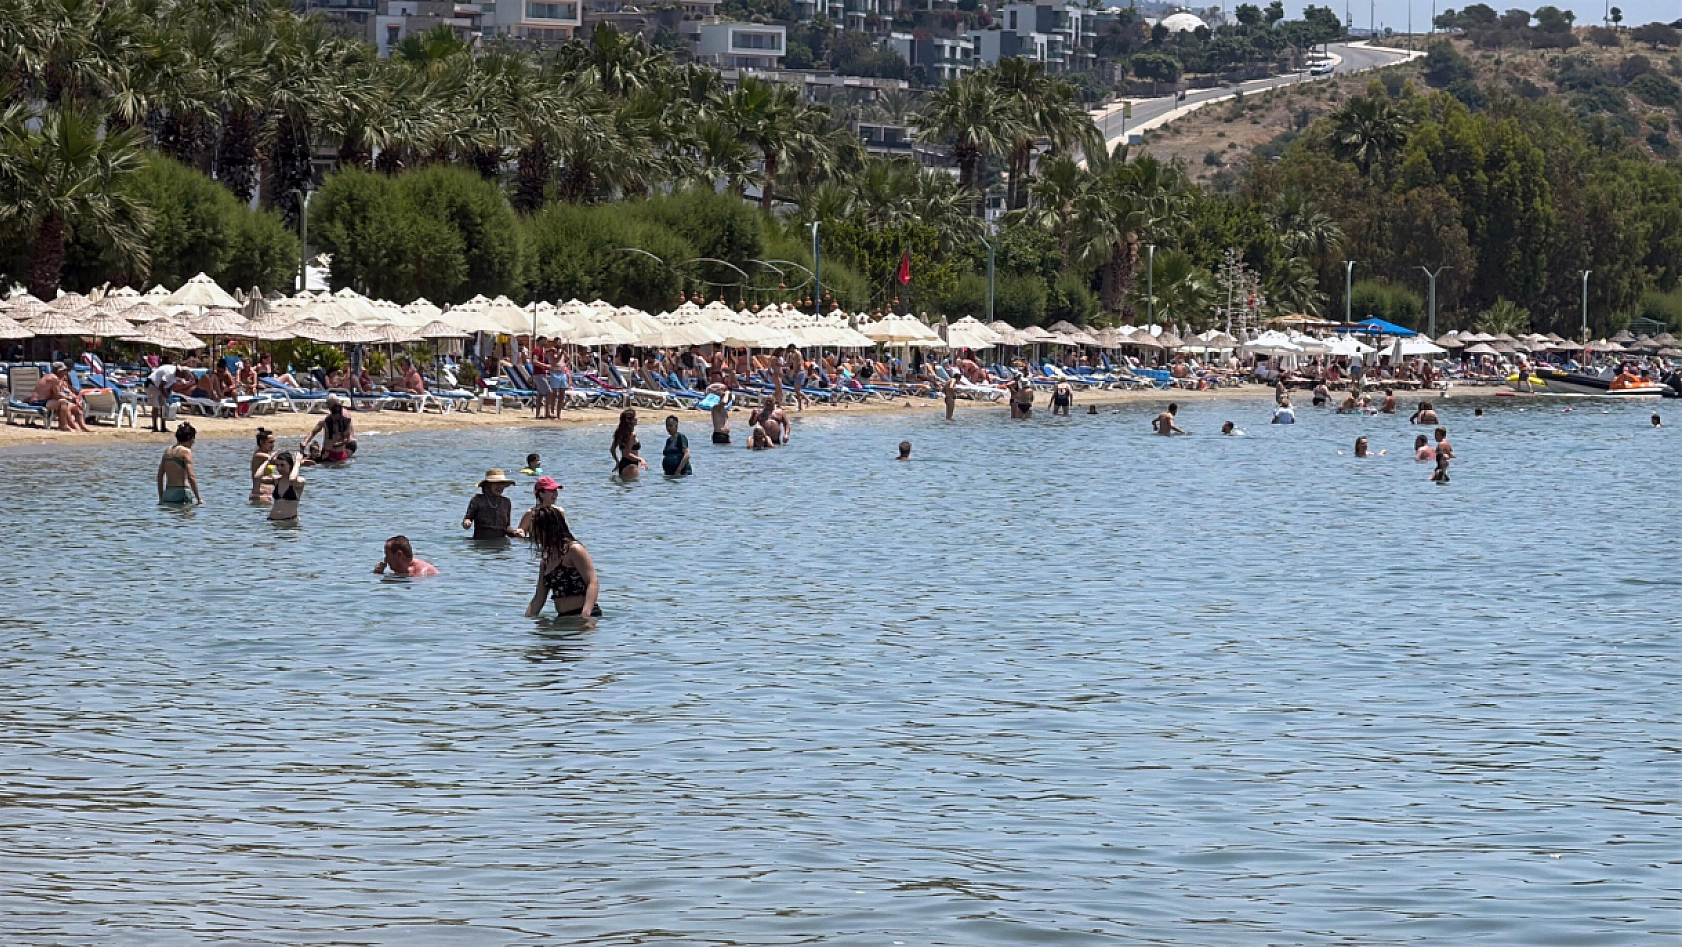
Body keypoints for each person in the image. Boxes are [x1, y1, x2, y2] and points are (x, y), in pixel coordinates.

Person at [525, 507, 600, 618]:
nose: (535, 536)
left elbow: (592, 582)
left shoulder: (574, 550)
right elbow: (539, 598)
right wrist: (525, 620)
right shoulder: (546, 559)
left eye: (537, 530)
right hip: (562, 618)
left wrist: (586, 615)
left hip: (583, 614)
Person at [463, 469, 524, 539]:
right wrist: (467, 523)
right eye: (496, 483)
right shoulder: (477, 499)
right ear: (488, 485)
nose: (500, 487)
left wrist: (514, 532)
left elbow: (507, 527)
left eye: (502, 484)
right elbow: (468, 519)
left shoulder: (506, 502)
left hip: (501, 545)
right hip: (481, 543)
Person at [31, 362, 89, 433]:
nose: (66, 372)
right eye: (64, 371)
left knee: (72, 406)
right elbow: (58, 395)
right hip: (39, 402)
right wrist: (71, 398)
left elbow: (60, 393)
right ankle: (64, 426)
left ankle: (81, 426)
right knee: (63, 402)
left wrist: (73, 398)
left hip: (45, 401)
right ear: (59, 371)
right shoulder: (53, 378)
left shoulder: (53, 378)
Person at [157, 422, 201, 505]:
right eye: (193, 438)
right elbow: (191, 476)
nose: (194, 441)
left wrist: (161, 497)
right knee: (186, 516)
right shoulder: (186, 452)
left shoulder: (167, 451)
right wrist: (199, 498)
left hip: (168, 493)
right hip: (182, 493)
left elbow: (160, 475)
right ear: (189, 438)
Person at [304, 399, 356, 463]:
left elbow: (346, 439)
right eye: (333, 417)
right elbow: (313, 432)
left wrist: (335, 445)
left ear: (340, 414)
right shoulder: (324, 421)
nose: (335, 420)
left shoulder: (346, 422)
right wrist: (305, 442)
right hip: (326, 452)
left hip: (339, 454)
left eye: (337, 418)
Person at [264, 451, 305, 520]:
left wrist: (297, 463)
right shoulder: (277, 480)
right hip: (272, 522)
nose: (279, 468)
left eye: (282, 465)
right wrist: (268, 462)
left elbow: (292, 479)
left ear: (291, 465)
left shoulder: (299, 481)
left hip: (289, 524)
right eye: (277, 465)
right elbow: (257, 477)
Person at [374, 535, 439, 576]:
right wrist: (378, 572)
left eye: (388, 555)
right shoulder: (401, 569)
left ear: (399, 554)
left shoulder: (421, 573)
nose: (385, 560)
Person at [610, 408, 647, 479]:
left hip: (623, 464)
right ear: (631, 420)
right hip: (631, 466)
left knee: (624, 487)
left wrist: (617, 462)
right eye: (635, 416)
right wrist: (640, 459)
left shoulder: (620, 433)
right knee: (633, 487)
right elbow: (627, 453)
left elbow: (612, 450)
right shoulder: (631, 435)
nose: (637, 418)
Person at [250, 428, 277, 503]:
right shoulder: (258, 455)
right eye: (270, 442)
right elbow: (275, 461)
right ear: (262, 442)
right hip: (260, 495)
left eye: (274, 442)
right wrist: (298, 461)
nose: (273, 445)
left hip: (268, 494)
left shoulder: (267, 454)